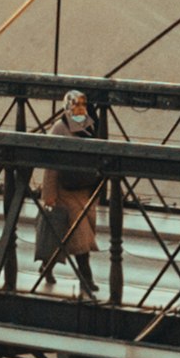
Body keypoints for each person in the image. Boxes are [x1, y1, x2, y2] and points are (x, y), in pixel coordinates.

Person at [33, 87, 114, 293]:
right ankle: (86, 279)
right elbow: (51, 165)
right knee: (80, 237)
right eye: (76, 104)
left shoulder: (89, 126)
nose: (80, 108)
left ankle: (47, 266)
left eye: (83, 104)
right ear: (67, 106)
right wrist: (49, 194)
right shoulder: (60, 129)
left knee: (65, 237)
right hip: (65, 191)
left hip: (84, 190)